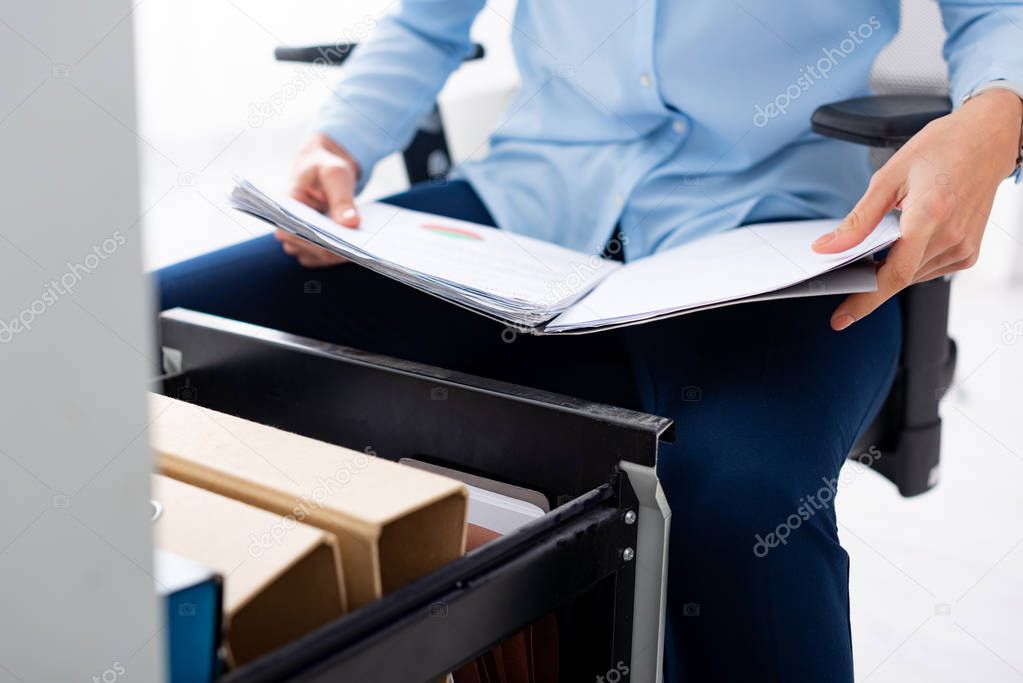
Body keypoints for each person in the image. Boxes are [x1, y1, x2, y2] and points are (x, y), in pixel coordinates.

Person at [158, 2, 1023, 680]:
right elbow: (427, 18)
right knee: (149, 334)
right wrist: (339, 140)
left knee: (741, 502)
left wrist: (997, 114)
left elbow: (997, 14)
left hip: (775, 238)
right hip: (525, 214)